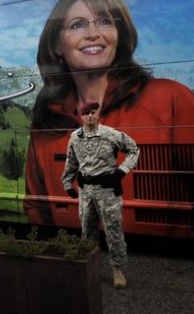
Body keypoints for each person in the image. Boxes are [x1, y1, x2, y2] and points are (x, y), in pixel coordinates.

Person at [25, 0, 194, 226]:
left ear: (118, 34)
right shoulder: (47, 124)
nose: (93, 33)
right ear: (57, 44)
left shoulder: (169, 98)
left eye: (104, 21)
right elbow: (36, 209)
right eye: (77, 24)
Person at [62, 101, 138, 289]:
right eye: (86, 114)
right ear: (81, 116)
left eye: (93, 113)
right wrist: (67, 183)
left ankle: (118, 270)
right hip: (86, 193)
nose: (90, 117)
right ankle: (91, 269)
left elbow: (133, 150)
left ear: (98, 114)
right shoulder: (75, 137)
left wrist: (122, 171)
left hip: (108, 192)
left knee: (113, 232)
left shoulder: (111, 135)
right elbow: (71, 162)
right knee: (87, 232)